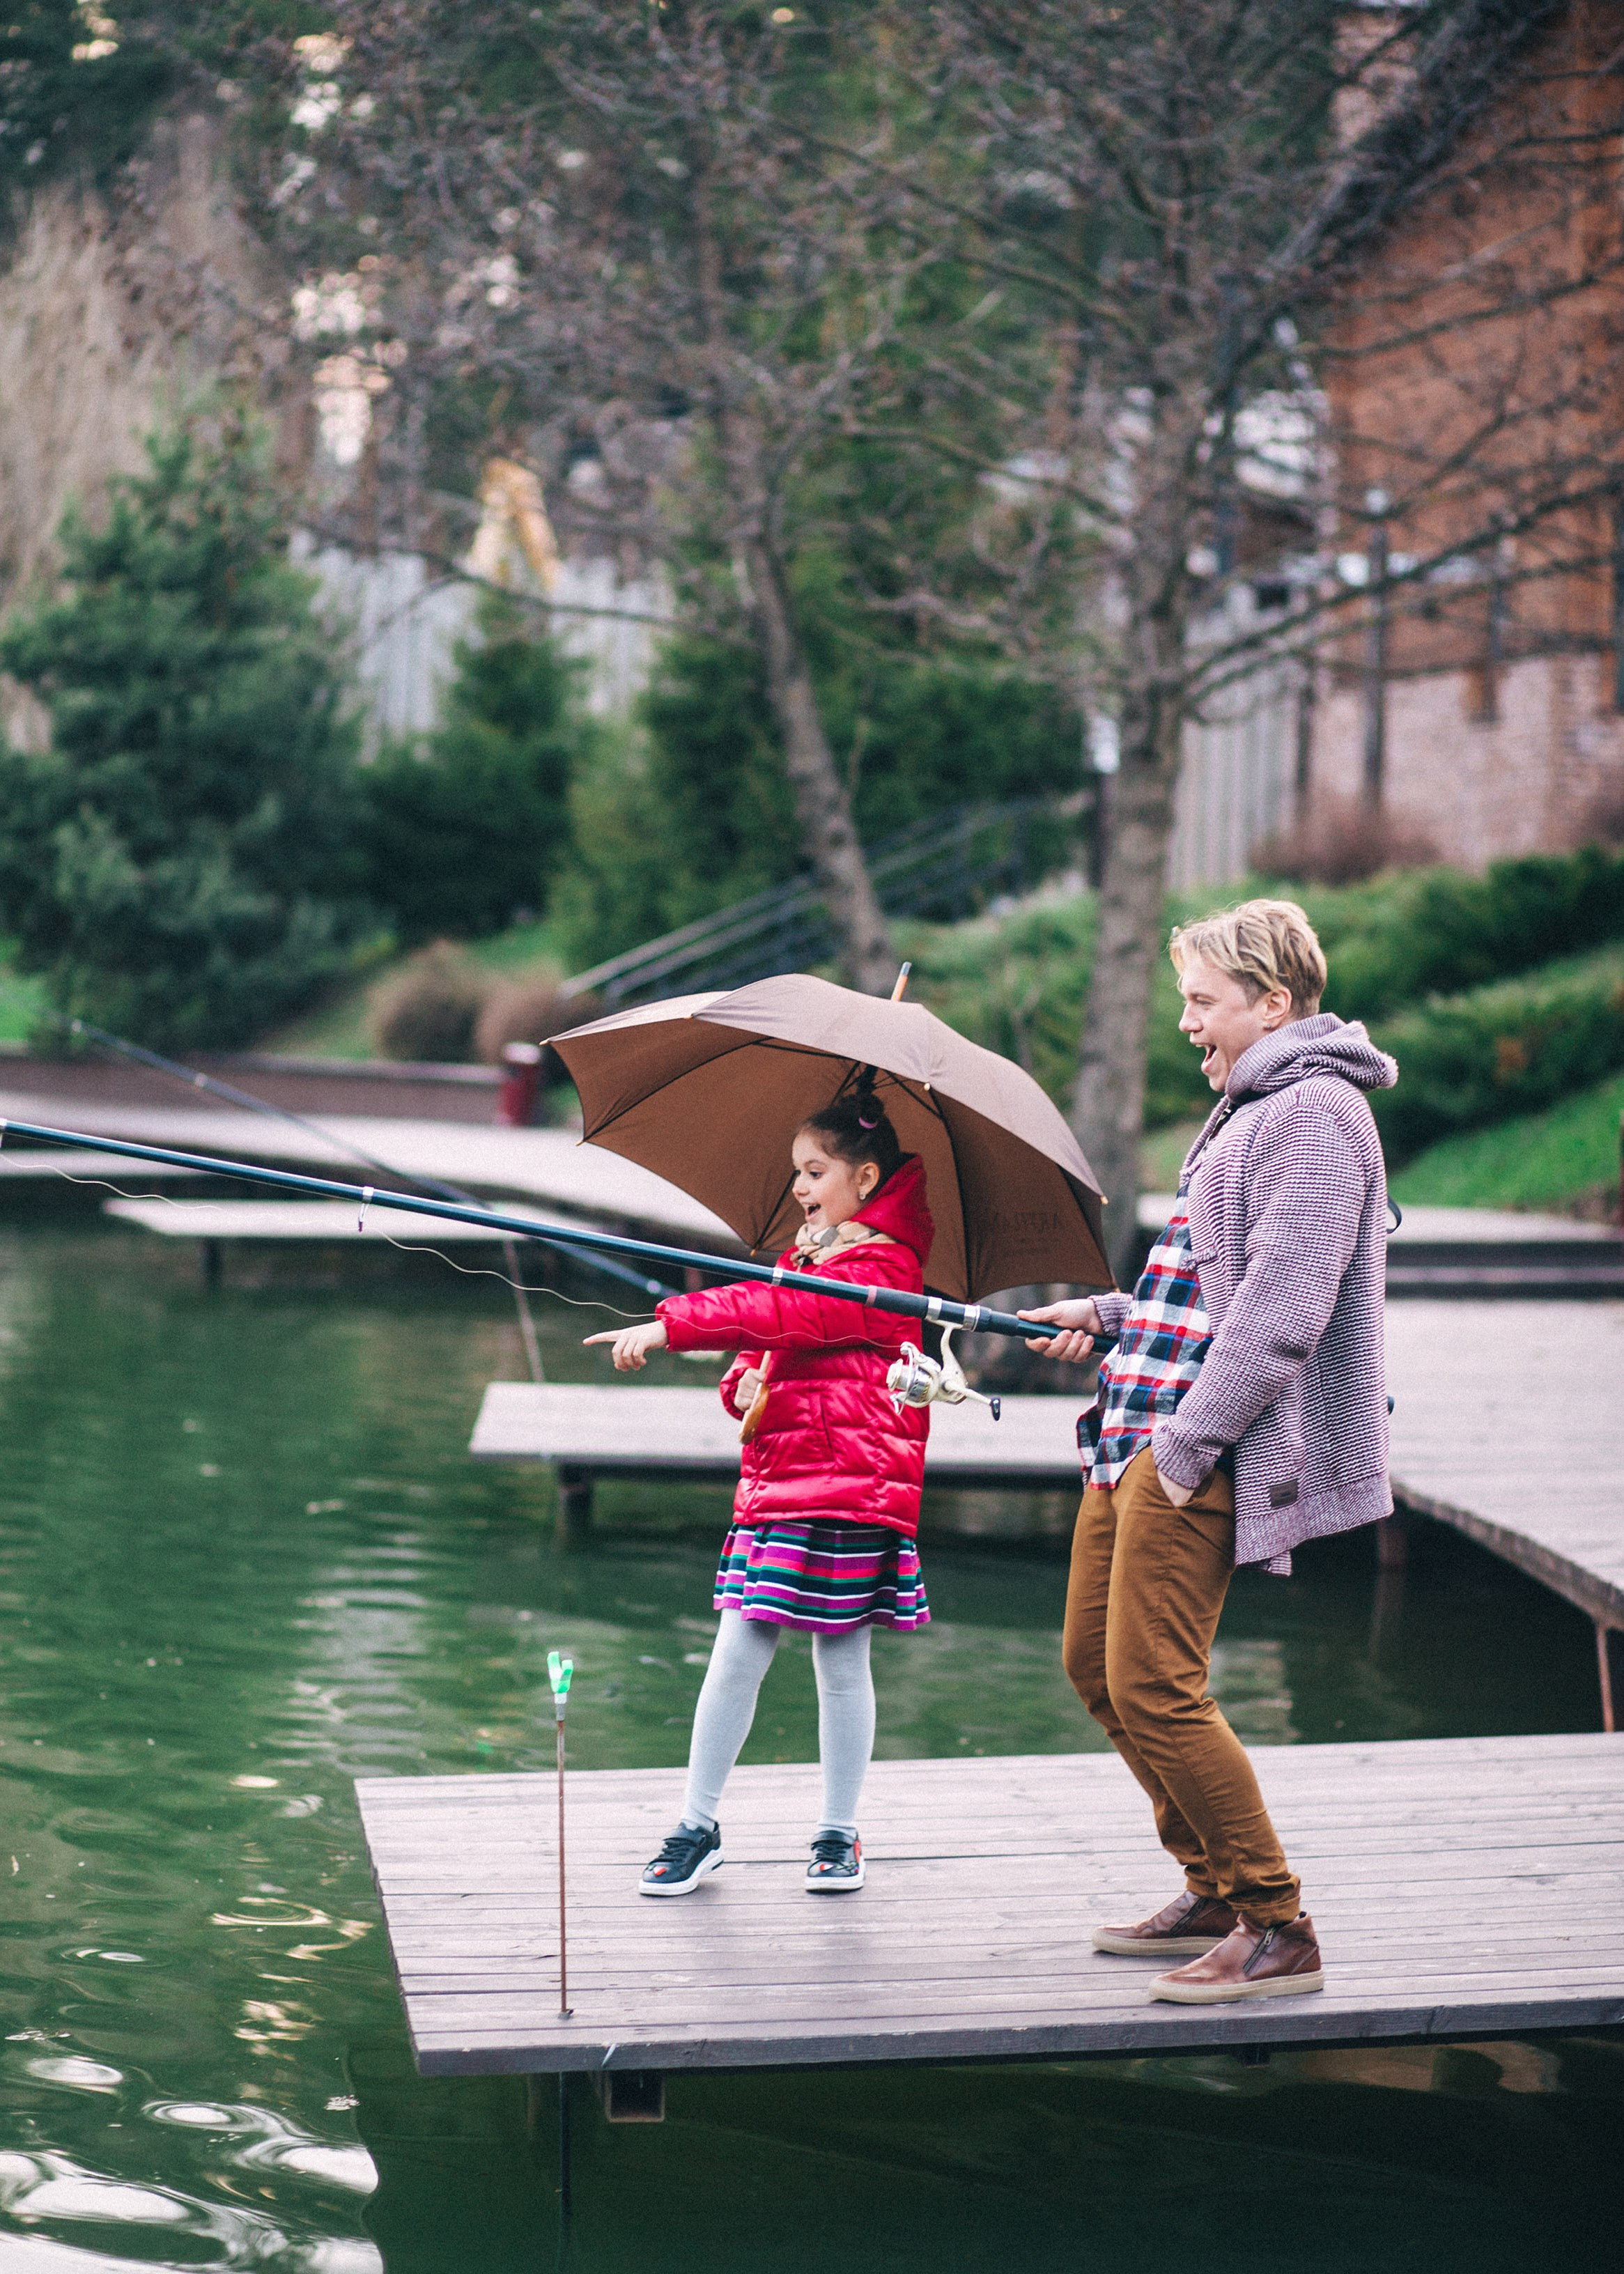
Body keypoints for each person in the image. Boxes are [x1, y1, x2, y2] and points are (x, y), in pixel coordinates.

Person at [1021, 899, 1397, 2005]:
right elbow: (1201, 1280)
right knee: (1095, 1669)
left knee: (1157, 1683)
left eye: (1202, 1001)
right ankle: (1214, 1886)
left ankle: (1276, 1922)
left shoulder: (1317, 1115)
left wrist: (1188, 1447)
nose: (1187, 1022)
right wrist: (1106, 1307)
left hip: (1199, 1441)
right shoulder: (1248, 1108)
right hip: (1134, 1420)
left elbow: (1280, 1311)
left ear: (1272, 1004)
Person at [585, 1086, 934, 1898]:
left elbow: (788, 1313)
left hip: (852, 1485)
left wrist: (671, 1323)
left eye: (815, 1171)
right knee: (737, 1650)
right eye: (796, 1173)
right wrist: (740, 1384)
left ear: (868, 1177)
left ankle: (838, 1834)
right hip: (779, 1484)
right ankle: (697, 1825)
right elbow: (763, 1341)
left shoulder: (885, 1266)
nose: (801, 1188)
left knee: (843, 1661)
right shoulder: (807, 1254)